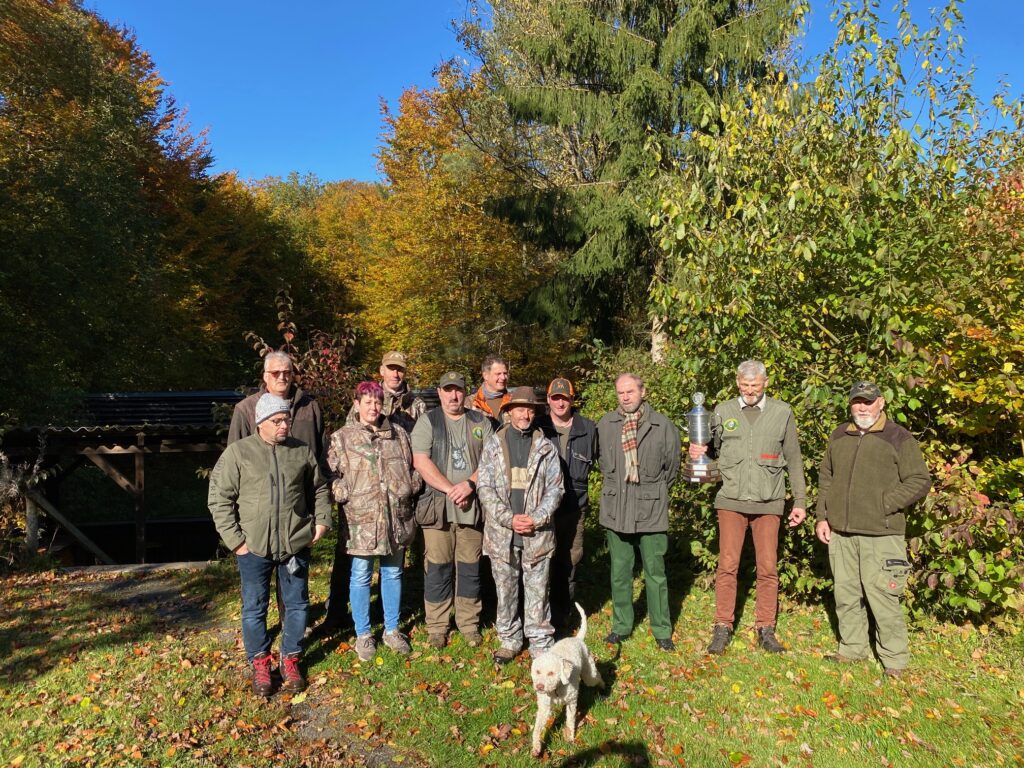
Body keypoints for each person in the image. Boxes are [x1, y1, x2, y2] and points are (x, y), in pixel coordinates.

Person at [208, 393, 331, 697]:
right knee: (254, 608)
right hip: (253, 548)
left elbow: (319, 488)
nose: (284, 424)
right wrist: (236, 542)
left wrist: (322, 521)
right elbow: (218, 499)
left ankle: (290, 660)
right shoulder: (239, 454)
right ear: (260, 422)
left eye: (287, 418)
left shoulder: (300, 452)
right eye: (277, 420)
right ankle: (260, 664)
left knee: (298, 605)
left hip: (294, 544)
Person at [689, 360, 807, 655]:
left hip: (769, 501)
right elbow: (710, 450)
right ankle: (722, 627)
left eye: (755, 385)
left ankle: (765, 628)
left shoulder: (782, 412)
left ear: (765, 383)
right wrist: (698, 451)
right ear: (737, 383)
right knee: (727, 565)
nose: (750, 390)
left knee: (767, 568)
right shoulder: (723, 411)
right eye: (745, 385)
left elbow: (793, 458)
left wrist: (801, 501)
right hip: (731, 500)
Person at [815, 381, 931, 678]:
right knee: (845, 593)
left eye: (868, 401)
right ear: (850, 404)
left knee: (883, 597)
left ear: (881, 402)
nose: (862, 407)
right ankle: (852, 649)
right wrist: (822, 516)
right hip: (841, 531)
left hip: (882, 533)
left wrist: (885, 503)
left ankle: (894, 659)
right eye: (857, 402)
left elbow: (919, 480)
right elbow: (826, 477)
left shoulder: (898, 437)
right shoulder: (839, 435)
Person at [321, 351, 426, 635]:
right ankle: (363, 633)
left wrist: (409, 487)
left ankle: (392, 630)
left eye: (378, 402)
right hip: (361, 521)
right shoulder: (342, 437)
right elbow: (328, 473)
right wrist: (343, 493)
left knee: (393, 573)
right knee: (360, 576)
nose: (374, 406)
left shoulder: (399, 434)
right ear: (357, 404)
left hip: (396, 518)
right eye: (368, 402)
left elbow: (415, 467)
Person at [228, 351, 329, 631]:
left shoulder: (310, 407)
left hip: (299, 508)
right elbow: (232, 462)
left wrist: (320, 514)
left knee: (294, 579)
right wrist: (236, 527)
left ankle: (293, 627)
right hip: (258, 514)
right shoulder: (246, 409)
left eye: (287, 372)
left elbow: (321, 455)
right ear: (265, 377)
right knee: (257, 590)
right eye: (276, 373)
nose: (283, 377)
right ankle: (260, 638)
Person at [478, 386, 563, 663]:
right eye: (519, 408)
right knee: (505, 589)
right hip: (502, 533)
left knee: (538, 590)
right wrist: (509, 518)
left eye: (529, 409)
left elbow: (556, 489)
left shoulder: (546, 447)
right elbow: (485, 487)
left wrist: (536, 519)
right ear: (509, 411)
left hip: (537, 534)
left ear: (534, 412)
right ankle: (509, 638)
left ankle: (539, 640)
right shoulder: (493, 445)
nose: (524, 414)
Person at [597, 373, 681, 651]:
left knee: (655, 573)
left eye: (630, 391)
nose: (625, 397)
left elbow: (672, 468)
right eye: (620, 392)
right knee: (620, 572)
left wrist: (651, 491)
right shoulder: (606, 425)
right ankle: (621, 625)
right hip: (616, 510)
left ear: (643, 391)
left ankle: (661, 629)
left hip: (651, 511)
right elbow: (603, 464)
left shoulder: (662, 425)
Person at [410, 371, 494, 648]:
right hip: (437, 510)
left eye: (458, 390)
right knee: (437, 569)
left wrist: (469, 484)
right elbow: (421, 461)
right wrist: (451, 489)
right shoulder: (428, 421)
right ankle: (437, 626)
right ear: (440, 391)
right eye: (448, 390)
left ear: (464, 392)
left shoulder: (480, 421)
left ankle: (469, 624)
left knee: (470, 569)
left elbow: (493, 461)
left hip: (472, 508)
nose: (453, 396)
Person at [536, 377, 598, 634]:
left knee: (568, 562)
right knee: (540, 562)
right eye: (555, 397)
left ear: (573, 399)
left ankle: (561, 617)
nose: (560, 402)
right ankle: (538, 615)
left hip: (574, 507)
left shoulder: (588, 428)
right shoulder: (538, 427)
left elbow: (601, 460)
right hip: (541, 507)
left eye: (565, 397)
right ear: (548, 400)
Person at [345, 350, 426, 434]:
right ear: (382, 371)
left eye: (400, 370)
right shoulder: (366, 400)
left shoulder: (417, 405)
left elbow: (423, 439)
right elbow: (348, 434)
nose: (395, 375)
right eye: (391, 369)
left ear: (405, 372)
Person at [470, 355, 511, 427]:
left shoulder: (514, 401)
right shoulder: (470, 403)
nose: (503, 377)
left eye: (505, 373)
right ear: (485, 376)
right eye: (498, 374)